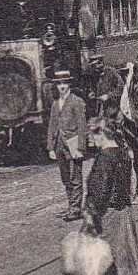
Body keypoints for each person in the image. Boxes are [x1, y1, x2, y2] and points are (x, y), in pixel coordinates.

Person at [79, 115, 138, 275]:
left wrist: (91, 212)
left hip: (108, 215)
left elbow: (100, 189)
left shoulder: (105, 157)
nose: (91, 141)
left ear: (101, 134)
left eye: (92, 136)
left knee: (104, 259)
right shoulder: (123, 154)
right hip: (124, 211)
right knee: (125, 258)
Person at [47, 69, 88, 222]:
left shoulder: (76, 102)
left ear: (69, 84)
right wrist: (50, 147)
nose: (62, 86)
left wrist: (81, 147)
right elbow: (52, 125)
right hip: (59, 145)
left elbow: (82, 126)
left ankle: (75, 209)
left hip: (72, 144)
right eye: (59, 84)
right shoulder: (55, 104)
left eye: (64, 83)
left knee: (75, 178)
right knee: (66, 179)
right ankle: (71, 205)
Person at [83, 53, 124, 120]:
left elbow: (121, 87)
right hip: (100, 107)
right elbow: (93, 87)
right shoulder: (94, 74)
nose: (95, 69)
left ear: (101, 64)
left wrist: (108, 96)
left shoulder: (112, 72)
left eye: (96, 66)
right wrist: (92, 93)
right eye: (93, 67)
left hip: (114, 106)